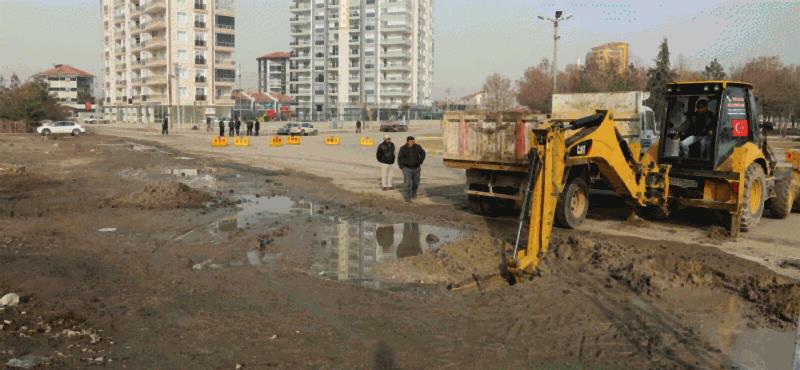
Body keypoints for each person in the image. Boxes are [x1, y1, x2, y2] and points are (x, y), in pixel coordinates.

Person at [397, 136, 426, 202]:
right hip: (407, 168)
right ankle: (407, 198)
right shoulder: (403, 148)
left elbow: (423, 153)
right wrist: (401, 166)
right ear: (407, 142)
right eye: (411, 142)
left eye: (413, 141)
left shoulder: (417, 147)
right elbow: (400, 158)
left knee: (416, 183)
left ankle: (413, 193)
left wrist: (420, 161)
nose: (412, 143)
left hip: (417, 168)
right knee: (407, 183)